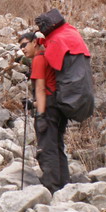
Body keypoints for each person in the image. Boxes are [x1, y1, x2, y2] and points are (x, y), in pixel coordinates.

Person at [18, 31, 69, 193]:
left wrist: (40, 115)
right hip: (58, 108)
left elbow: (40, 89)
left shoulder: (39, 59)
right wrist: (33, 104)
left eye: (24, 44)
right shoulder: (49, 56)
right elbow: (49, 89)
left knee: (47, 148)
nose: (22, 49)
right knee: (57, 146)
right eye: (20, 46)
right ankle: (64, 185)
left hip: (48, 111)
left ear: (35, 42)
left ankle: (52, 187)